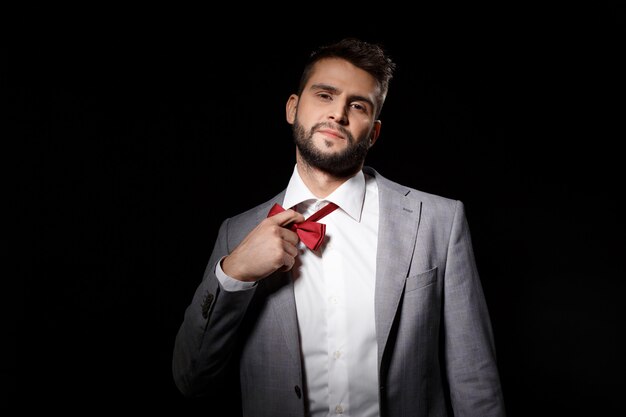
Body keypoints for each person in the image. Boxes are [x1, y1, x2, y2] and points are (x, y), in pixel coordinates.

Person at [172, 37, 506, 417]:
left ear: (374, 133)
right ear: (293, 108)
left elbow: (474, 381)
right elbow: (191, 379)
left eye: (357, 105)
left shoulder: (439, 221)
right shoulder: (237, 233)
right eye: (325, 95)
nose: (338, 114)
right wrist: (234, 275)